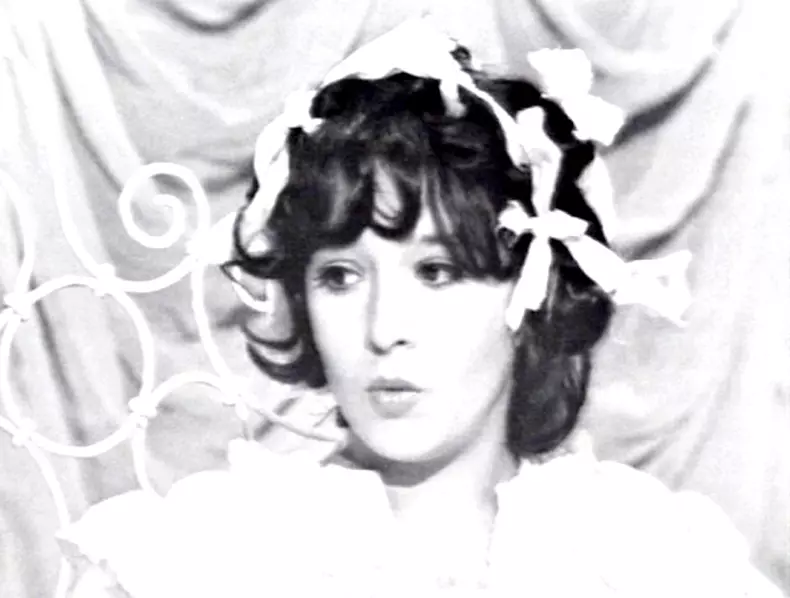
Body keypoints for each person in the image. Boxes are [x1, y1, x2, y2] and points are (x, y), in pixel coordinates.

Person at [56, 20, 782, 597]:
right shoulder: (203, 559)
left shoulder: (646, 558)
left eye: (437, 272)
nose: (384, 330)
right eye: (340, 276)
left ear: (532, 290)